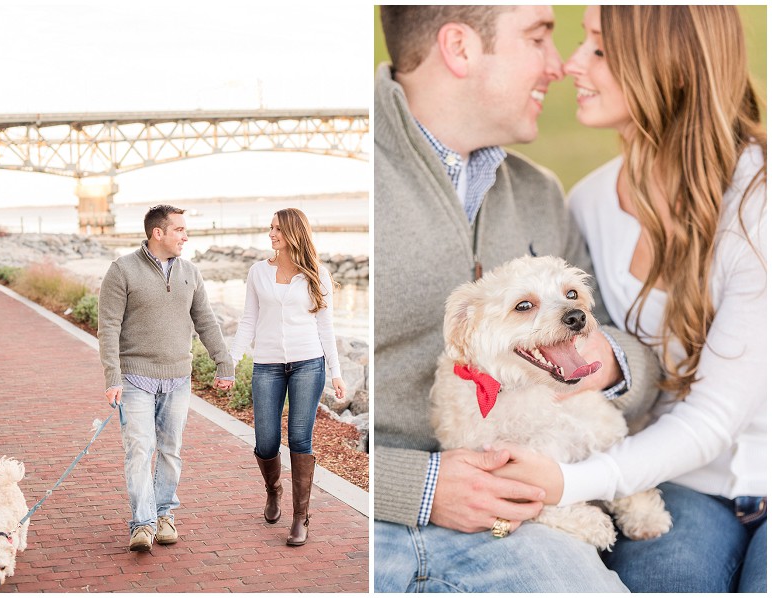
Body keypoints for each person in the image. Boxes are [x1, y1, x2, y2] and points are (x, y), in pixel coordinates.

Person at [373, 5, 661, 592]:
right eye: (538, 38)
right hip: (361, 514)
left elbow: (629, 353)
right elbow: (288, 406)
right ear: (459, 48)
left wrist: (609, 364)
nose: (559, 66)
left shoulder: (540, 193)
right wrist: (416, 486)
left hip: (523, 519)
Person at [502, 5, 766, 593]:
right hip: (676, 482)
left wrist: (570, 484)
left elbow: (715, 418)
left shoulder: (759, 204)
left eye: (598, 48)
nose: (570, 64)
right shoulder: (589, 203)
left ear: (669, 66)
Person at [98, 204, 235, 552]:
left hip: (178, 378)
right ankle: (142, 524)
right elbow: (108, 327)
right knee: (140, 450)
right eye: (179, 230)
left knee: (171, 451)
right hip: (135, 377)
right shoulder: (122, 270)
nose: (186, 236)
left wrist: (224, 363)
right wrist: (112, 377)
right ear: (158, 233)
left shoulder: (190, 271)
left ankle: (164, 516)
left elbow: (206, 321)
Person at [230, 208, 347, 546]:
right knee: (265, 441)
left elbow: (326, 326)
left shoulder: (316, 274)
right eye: (270, 228)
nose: (271, 234)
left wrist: (336, 373)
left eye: (277, 229)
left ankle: (300, 516)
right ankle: (273, 490)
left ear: (294, 232)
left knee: (300, 439)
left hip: (308, 363)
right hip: (266, 364)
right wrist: (232, 361)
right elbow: (248, 319)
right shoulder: (258, 272)